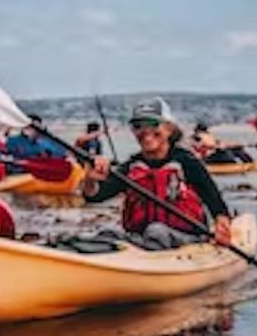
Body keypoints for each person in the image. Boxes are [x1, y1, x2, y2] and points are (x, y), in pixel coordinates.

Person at [83, 97, 233, 250]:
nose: (145, 131)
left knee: (156, 231)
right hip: (142, 239)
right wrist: (90, 179)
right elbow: (94, 196)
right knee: (107, 234)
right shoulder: (131, 167)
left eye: (153, 124)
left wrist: (222, 224)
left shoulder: (187, 162)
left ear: (169, 129)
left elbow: (215, 201)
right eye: (138, 126)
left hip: (186, 238)